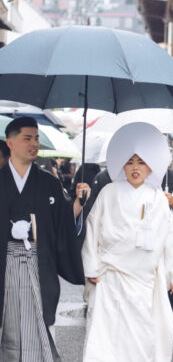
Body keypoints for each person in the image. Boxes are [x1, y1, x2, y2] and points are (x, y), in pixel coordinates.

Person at [81, 122, 173, 362]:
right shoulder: (109, 192)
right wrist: (91, 268)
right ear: (122, 165)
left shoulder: (159, 199)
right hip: (110, 275)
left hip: (145, 277)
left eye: (141, 162)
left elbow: (169, 238)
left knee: (143, 334)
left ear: (151, 166)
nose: (135, 168)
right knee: (107, 334)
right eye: (130, 162)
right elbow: (92, 230)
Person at [0, 116, 89, 361]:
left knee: (35, 323)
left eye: (37, 138)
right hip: (5, 265)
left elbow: (62, 224)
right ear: (11, 143)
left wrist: (79, 203)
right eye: (27, 138)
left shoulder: (49, 183)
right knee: (9, 326)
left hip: (38, 265)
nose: (34, 143)